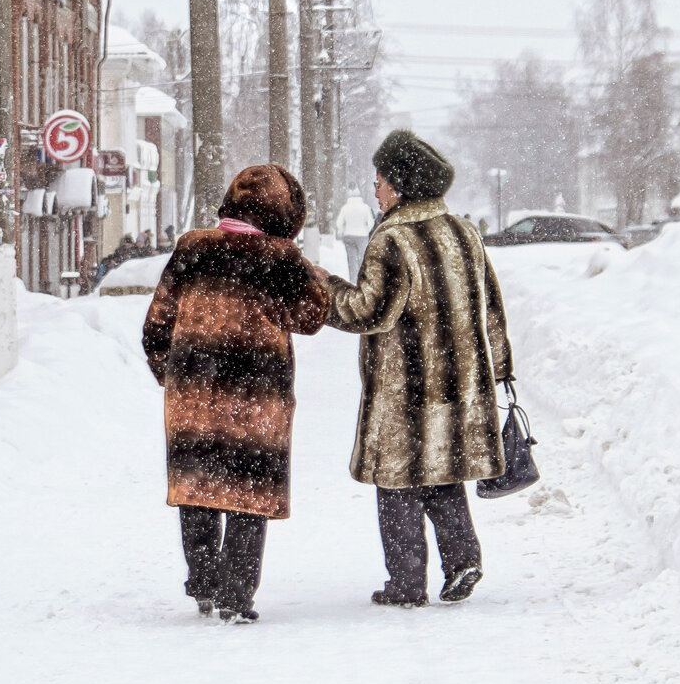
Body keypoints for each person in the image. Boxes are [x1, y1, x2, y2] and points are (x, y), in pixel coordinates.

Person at [313, 129, 513, 608]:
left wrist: (325, 289)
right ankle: (462, 559)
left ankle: (406, 583)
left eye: (380, 181)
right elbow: (492, 306)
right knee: (443, 473)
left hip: (406, 388)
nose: (375, 190)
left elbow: (367, 311)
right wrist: (500, 367)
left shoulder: (393, 240)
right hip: (460, 383)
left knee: (398, 482)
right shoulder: (464, 231)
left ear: (400, 184)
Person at [142, 164, 329, 623]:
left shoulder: (191, 247)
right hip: (256, 399)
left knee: (198, 484)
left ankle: (204, 579)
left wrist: (172, 373)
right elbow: (310, 315)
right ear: (284, 212)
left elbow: (156, 325)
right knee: (249, 491)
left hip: (194, 394)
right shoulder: (281, 258)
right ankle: (236, 594)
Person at [335, 183, 376, 283]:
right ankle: (362, 281)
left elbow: (339, 223)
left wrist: (344, 230)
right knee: (362, 259)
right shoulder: (365, 207)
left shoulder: (345, 208)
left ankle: (353, 281)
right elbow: (371, 222)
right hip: (362, 236)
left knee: (352, 260)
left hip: (348, 235)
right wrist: (366, 231)